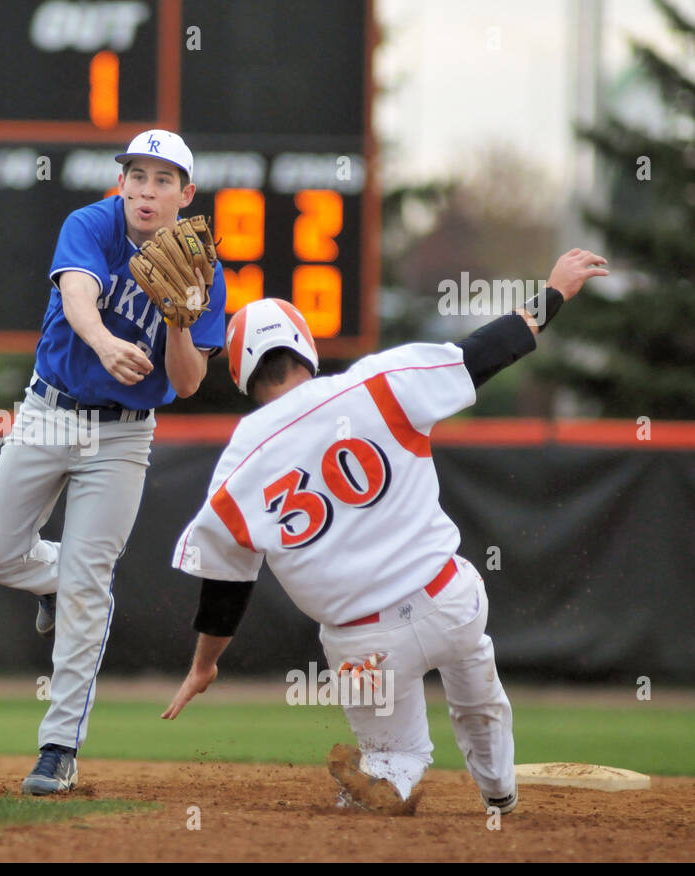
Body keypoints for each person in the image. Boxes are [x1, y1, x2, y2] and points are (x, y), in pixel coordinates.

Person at [160, 249, 609, 813]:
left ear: (241, 373)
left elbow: (227, 585)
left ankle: (390, 780)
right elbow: (482, 354)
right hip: (446, 598)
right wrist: (553, 295)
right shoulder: (379, 383)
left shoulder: (242, 458)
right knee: (477, 686)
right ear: (306, 345)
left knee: (394, 755)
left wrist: (205, 664)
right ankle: (499, 793)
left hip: (360, 642)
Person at [0, 130, 227, 795]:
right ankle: (58, 580)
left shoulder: (202, 268)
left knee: (90, 583)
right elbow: (79, 294)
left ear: (186, 194)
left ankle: (58, 747)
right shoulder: (92, 223)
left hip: (122, 436)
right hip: (49, 410)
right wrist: (107, 341)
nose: (145, 189)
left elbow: (190, 382)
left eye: (163, 179)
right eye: (136, 175)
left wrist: (176, 321)